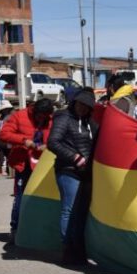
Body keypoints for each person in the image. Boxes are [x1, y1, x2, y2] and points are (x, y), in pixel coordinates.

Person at [47, 90, 98, 264]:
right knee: (69, 210)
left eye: (87, 106)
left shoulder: (90, 123)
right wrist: (75, 157)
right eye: (81, 104)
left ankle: (79, 248)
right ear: (74, 102)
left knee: (81, 212)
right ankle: (68, 249)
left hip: (85, 172)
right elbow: (53, 142)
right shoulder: (63, 118)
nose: (83, 108)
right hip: (68, 170)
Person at [0, 98, 54, 240]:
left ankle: (38, 229)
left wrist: (47, 146)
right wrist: (24, 140)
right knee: (20, 197)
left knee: (41, 199)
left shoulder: (51, 120)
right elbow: (4, 134)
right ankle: (15, 229)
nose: (41, 119)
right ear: (34, 111)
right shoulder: (19, 115)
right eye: (39, 116)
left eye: (45, 117)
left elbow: (55, 139)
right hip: (22, 164)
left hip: (42, 165)